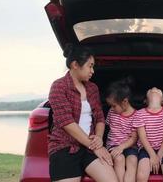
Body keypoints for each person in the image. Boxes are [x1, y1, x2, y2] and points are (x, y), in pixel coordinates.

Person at [48, 44, 118, 182]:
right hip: (65, 147)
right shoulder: (59, 86)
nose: (92, 71)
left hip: (90, 148)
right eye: (90, 66)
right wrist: (94, 146)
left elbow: (99, 118)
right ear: (75, 65)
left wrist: (98, 139)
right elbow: (66, 122)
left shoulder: (92, 88)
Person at [134, 87, 163, 182]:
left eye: (158, 90)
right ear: (145, 101)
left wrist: (159, 155)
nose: (154, 88)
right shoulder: (139, 114)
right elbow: (142, 137)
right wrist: (152, 155)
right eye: (150, 89)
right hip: (146, 149)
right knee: (141, 176)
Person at [105, 77, 139, 182]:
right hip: (113, 145)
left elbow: (134, 138)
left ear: (125, 102)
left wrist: (122, 147)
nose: (111, 108)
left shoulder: (136, 115)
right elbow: (106, 127)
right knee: (119, 160)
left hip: (130, 146)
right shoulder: (111, 112)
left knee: (132, 160)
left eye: (114, 106)